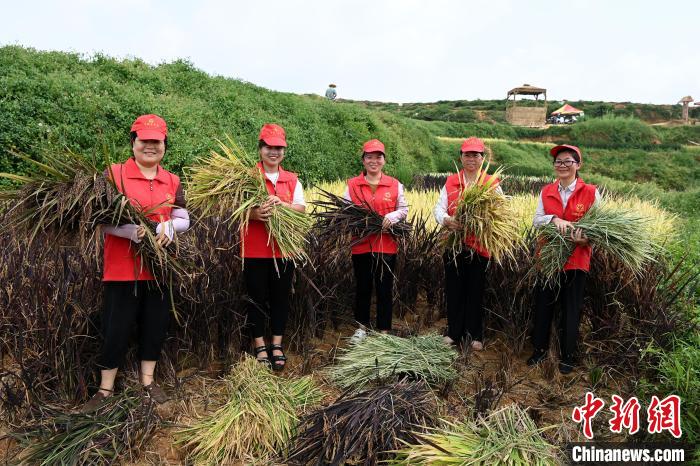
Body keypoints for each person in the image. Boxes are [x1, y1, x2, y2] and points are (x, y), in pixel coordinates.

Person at [82, 114, 190, 412]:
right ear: (133, 143)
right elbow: (99, 219)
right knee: (116, 327)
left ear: (164, 145)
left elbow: (183, 217)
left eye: (157, 141)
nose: (150, 146)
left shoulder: (173, 180)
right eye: (144, 140)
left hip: (159, 268)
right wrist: (129, 231)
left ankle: (148, 382)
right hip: (122, 267)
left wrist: (170, 227)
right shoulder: (113, 174)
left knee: (155, 325)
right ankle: (104, 390)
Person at [527, 144, 601, 374]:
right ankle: (539, 350)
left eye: (568, 161)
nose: (562, 165)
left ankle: (567, 356)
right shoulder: (547, 191)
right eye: (558, 161)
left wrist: (586, 238)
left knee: (571, 308)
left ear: (578, 165)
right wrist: (553, 220)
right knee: (543, 305)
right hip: (548, 259)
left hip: (577, 260)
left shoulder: (590, 192)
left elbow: (601, 227)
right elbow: (536, 220)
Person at [244, 123, 306, 371]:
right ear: (260, 149)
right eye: (269, 147)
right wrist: (255, 214)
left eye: (279, 147)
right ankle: (259, 345)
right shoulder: (247, 176)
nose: (274, 152)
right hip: (254, 249)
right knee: (256, 298)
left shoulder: (292, 179)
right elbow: (232, 209)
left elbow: (301, 208)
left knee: (281, 297)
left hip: (284, 249)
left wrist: (282, 204)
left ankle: (277, 344)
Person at [433, 137, 502, 351]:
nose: (471, 158)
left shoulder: (491, 183)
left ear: (483, 158)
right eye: (467, 154)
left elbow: (501, 211)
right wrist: (447, 220)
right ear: (461, 157)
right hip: (454, 245)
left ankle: (474, 335)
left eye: (476, 155)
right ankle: (454, 332)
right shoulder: (451, 181)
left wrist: (483, 222)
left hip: (480, 246)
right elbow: (438, 208)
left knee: (476, 290)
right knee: (454, 289)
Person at [345, 139, 408, 343]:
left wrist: (393, 217)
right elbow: (345, 210)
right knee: (363, 287)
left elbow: (404, 209)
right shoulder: (353, 184)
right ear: (363, 160)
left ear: (384, 160)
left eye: (378, 157)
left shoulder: (395, 184)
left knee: (384, 288)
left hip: (386, 245)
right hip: (361, 245)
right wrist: (357, 220)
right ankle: (361, 328)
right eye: (369, 157)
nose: (374, 161)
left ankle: (384, 331)